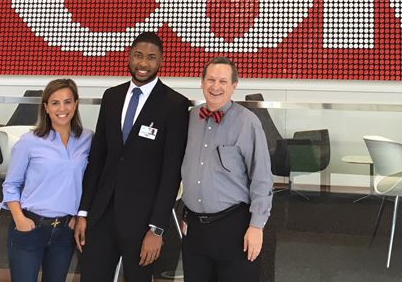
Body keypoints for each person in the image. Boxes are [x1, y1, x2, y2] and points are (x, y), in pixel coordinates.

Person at [75, 31, 189, 281]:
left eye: (151, 57)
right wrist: (83, 212)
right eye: (138, 55)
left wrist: (157, 229)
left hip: (143, 221)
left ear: (161, 61)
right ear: (129, 56)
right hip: (102, 215)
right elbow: (97, 159)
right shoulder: (112, 96)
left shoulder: (175, 104)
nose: (143, 64)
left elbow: (171, 173)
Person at [181, 57, 273, 282]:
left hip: (233, 228)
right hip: (194, 230)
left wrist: (256, 226)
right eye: (210, 80)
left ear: (234, 86)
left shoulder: (247, 122)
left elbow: (262, 178)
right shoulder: (190, 118)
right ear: (202, 83)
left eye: (223, 81)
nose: (215, 86)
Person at [3, 78, 93, 282]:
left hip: (64, 232)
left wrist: (78, 216)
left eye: (68, 101)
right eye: (55, 102)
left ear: (76, 104)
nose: (62, 108)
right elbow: (11, 185)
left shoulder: (88, 139)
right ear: (46, 107)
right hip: (30, 227)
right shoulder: (30, 141)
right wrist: (20, 219)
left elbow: (90, 182)